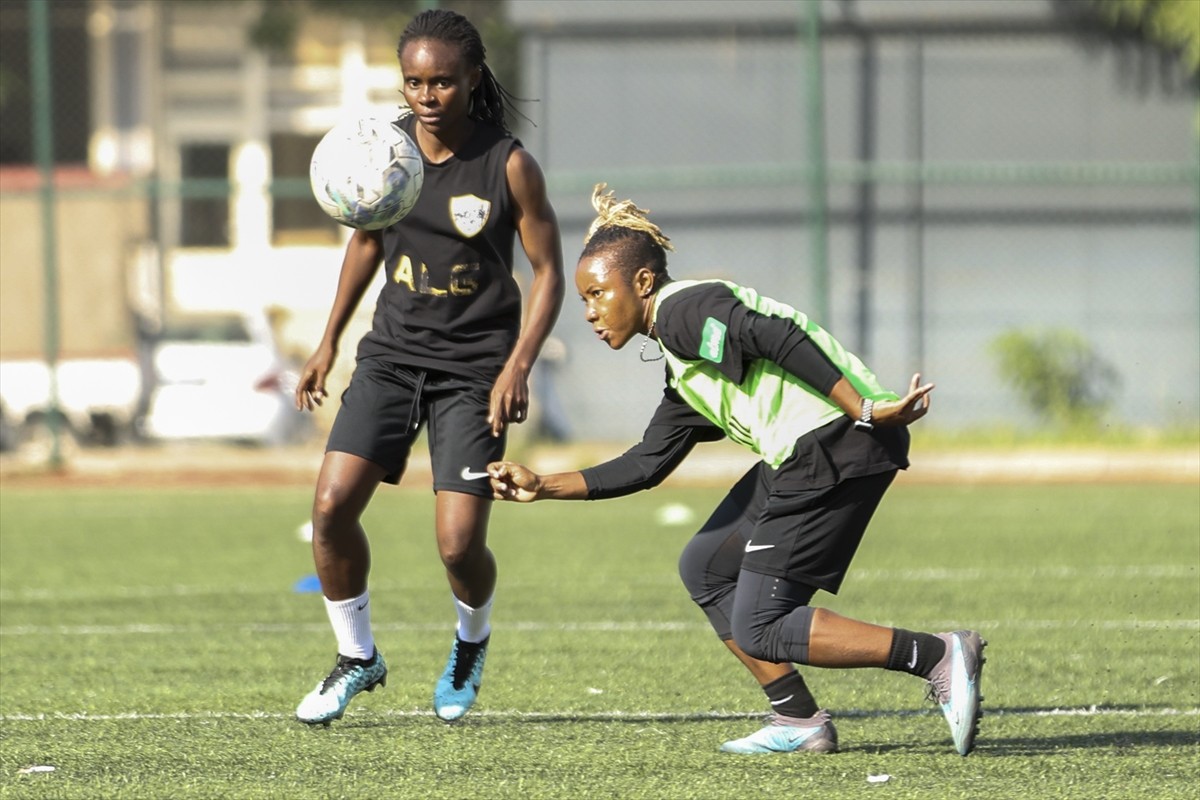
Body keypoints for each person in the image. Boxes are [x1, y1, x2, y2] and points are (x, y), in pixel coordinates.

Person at [488, 185, 985, 756]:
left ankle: (938, 655)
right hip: (807, 450)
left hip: (837, 443)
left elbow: (775, 336)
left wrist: (863, 408)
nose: (591, 312)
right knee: (705, 567)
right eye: (585, 299)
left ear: (643, 284)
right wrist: (542, 486)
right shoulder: (683, 359)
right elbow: (647, 463)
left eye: (598, 293)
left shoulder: (683, 312)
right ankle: (799, 720)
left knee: (762, 625)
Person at [293, 9, 564, 726]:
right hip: (391, 358)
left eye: (442, 80)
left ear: (473, 78)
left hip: (475, 371)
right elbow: (362, 244)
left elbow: (549, 273)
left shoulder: (508, 164)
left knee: (458, 544)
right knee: (329, 508)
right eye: (414, 81)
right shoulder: (387, 154)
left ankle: (470, 640)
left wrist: (517, 366)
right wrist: (328, 342)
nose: (426, 94)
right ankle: (358, 657)